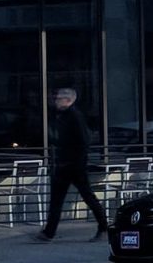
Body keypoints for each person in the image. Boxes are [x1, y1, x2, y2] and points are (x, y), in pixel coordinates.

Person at [35, 88, 108, 242]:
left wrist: (75, 160)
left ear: (68, 101)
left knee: (86, 196)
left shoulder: (74, 116)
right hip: (66, 163)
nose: (56, 101)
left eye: (60, 98)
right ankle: (49, 232)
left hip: (73, 165)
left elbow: (83, 140)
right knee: (59, 199)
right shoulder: (64, 116)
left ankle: (104, 227)